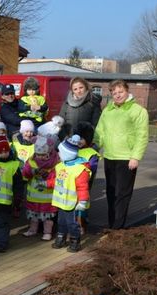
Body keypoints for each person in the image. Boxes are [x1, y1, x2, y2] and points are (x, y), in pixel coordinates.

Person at [94, 79, 149, 229]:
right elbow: (100, 131)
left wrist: (135, 157)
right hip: (110, 156)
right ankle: (112, 223)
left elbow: (142, 136)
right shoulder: (107, 110)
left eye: (120, 92)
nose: (117, 95)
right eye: (114, 92)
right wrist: (94, 148)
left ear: (127, 91)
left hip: (127, 158)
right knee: (111, 193)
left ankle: (117, 227)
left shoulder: (138, 111)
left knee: (122, 193)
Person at [48, 135, 90, 252]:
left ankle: (75, 240)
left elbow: (83, 187)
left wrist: (82, 201)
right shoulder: (61, 166)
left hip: (72, 202)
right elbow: (58, 180)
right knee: (61, 221)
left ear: (67, 154)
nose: (58, 155)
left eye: (60, 153)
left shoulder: (79, 169)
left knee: (72, 223)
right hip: (61, 201)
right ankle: (61, 237)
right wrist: (47, 183)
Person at [21, 136, 59, 241]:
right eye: (38, 154)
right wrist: (32, 172)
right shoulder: (32, 161)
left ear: (49, 153)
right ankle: (33, 230)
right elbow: (25, 173)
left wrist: (47, 179)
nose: (40, 157)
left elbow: (57, 179)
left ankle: (47, 232)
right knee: (33, 214)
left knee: (48, 216)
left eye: (43, 155)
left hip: (47, 196)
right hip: (33, 195)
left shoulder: (55, 163)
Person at [74, 121, 100, 235]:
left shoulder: (92, 153)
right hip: (70, 185)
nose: (79, 141)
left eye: (82, 138)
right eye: (78, 138)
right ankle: (72, 226)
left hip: (84, 184)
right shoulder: (72, 149)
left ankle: (81, 225)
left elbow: (92, 167)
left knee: (81, 207)